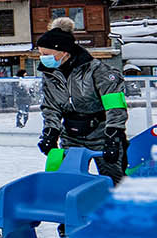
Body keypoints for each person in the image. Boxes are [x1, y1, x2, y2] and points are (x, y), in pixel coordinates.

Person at [37, 17, 128, 184]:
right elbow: (51, 106)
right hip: (71, 135)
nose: (42, 58)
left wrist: (114, 134)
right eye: (40, 53)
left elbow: (115, 104)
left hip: (101, 133)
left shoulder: (97, 70)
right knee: (65, 179)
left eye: (46, 54)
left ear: (64, 52)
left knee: (114, 179)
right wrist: (51, 132)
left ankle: (120, 206)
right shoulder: (50, 75)